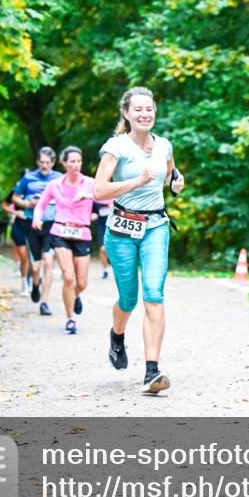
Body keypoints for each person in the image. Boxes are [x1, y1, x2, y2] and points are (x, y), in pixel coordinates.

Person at [94, 87, 184, 394]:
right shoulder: (115, 147)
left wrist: (175, 183)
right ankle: (117, 335)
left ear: (154, 112)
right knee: (129, 298)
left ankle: (151, 372)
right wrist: (137, 181)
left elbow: (171, 174)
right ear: (127, 114)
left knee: (154, 294)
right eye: (139, 110)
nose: (145, 114)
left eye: (149, 109)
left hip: (156, 226)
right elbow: (99, 191)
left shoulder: (165, 146)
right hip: (121, 229)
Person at [32, 147, 96, 335]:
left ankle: (75, 295)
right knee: (69, 277)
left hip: (82, 233)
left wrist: (88, 195)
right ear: (64, 163)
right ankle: (70, 319)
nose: (76, 165)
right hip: (60, 231)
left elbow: (108, 196)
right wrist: (37, 218)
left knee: (81, 282)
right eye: (72, 161)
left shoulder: (90, 183)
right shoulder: (55, 184)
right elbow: (41, 204)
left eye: (79, 161)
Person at [13, 148, 61, 315]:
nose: (45, 165)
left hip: (51, 225)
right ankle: (35, 284)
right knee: (35, 267)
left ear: (53, 163)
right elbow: (15, 197)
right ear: (37, 162)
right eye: (42, 162)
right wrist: (28, 204)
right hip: (31, 224)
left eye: (48, 162)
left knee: (48, 261)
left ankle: (44, 302)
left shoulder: (59, 178)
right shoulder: (28, 178)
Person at [3, 190, 32, 296]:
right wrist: (15, 213)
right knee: (24, 257)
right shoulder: (16, 191)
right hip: (19, 226)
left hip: (34, 227)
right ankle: (24, 285)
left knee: (33, 258)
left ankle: (33, 281)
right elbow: (5, 205)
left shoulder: (40, 188)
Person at [91, 197, 112, 279]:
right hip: (101, 225)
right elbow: (92, 210)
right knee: (103, 249)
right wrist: (93, 214)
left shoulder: (115, 193)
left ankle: (111, 262)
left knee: (113, 248)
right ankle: (105, 270)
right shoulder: (96, 196)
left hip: (115, 225)